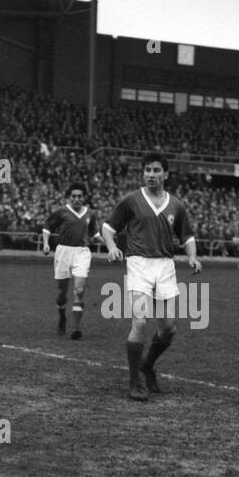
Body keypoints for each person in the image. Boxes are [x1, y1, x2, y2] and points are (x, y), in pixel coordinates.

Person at [102, 153, 202, 401]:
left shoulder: (176, 205)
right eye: (147, 170)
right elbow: (108, 228)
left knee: (168, 328)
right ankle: (135, 381)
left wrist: (193, 256)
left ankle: (147, 365)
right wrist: (112, 247)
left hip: (165, 266)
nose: (151, 174)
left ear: (166, 174)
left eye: (156, 170)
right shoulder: (131, 200)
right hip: (138, 263)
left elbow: (187, 236)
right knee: (140, 321)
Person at [42, 183, 103, 339]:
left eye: (80, 196)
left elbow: (94, 233)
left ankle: (76, 329)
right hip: (63, 252)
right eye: (74, 196)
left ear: (84, 198)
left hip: (82, 252)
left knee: (79, 290)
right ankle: (62, 316)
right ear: (69, 197)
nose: (77, 199)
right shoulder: (61, 212)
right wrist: (46, 243)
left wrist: (109, 244)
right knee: (62, 291)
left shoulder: (90, 213)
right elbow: (47, 226)